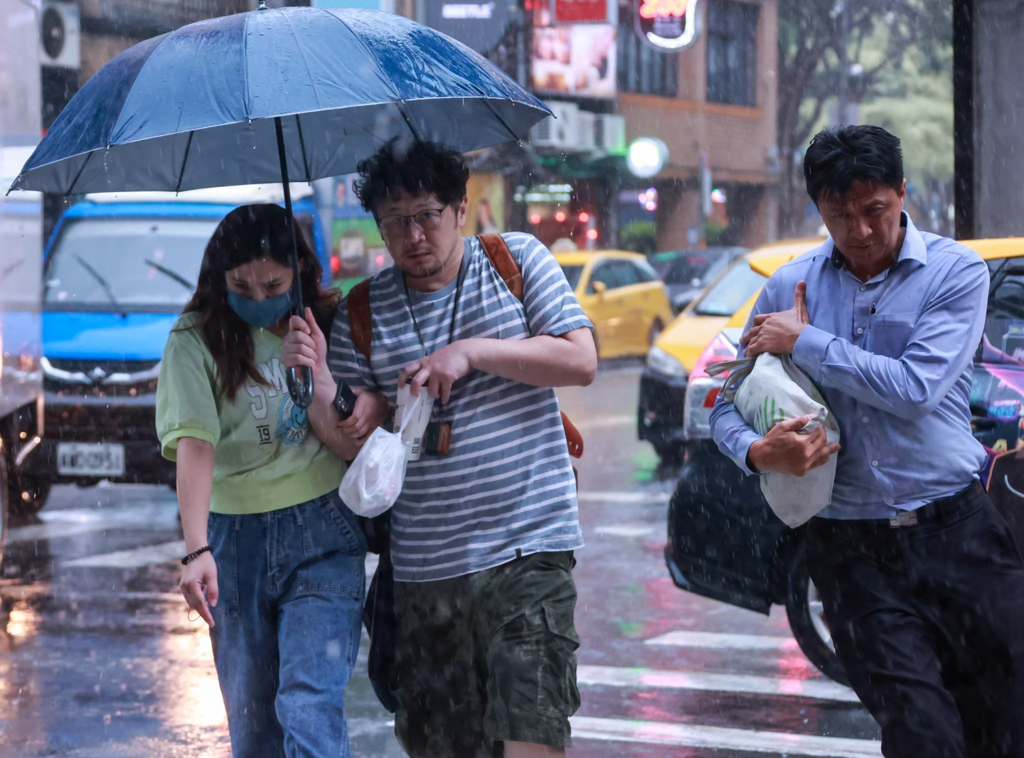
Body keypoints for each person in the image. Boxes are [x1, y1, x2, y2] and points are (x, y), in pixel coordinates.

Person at [710, 125, 1024, 758]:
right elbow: (725, 400)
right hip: (851, 549)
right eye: (839, 215)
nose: (859, 231)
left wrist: (807, 343)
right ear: (819, 211)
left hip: (958, 531)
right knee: (919, 732)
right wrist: (755, 450)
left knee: (1005, 723)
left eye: (874, 210)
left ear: (902, 194)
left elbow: (915, 389)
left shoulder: (954, 272)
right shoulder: (785, 287)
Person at [283, 139, 597, 758]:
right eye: (395, 222)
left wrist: (473, 352)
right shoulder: (364, 311)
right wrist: (318, 379)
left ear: (460, 208)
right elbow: (351, 447)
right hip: (426, 570)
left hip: (528, 547)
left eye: (427, 215)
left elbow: (579, 359)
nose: (414, 236)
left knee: (533, 731)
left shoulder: (515, 259)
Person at [156, 203, 387, 758]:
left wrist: (321, 376)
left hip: (324, 532)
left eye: (274, 284)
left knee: (309, 707)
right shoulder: (194, 339)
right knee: (255, 726)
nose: (258, 298)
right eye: (241, 285)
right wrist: (195, 551)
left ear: (301, 274)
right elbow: (195, 445)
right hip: (234, 542)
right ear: (219, 279)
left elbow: (364, 432)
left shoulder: (332, 323)